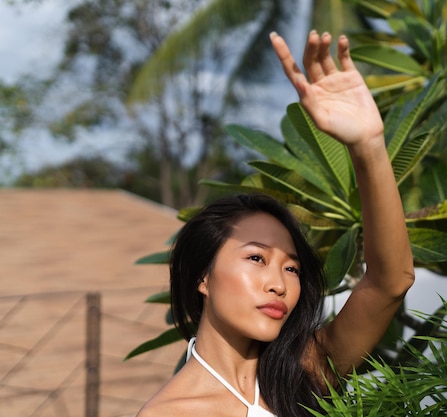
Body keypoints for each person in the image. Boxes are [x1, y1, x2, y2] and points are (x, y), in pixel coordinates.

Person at [137, 30, 415, 417]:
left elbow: (390, 282)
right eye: (256, 258)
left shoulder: (305, 371)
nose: (279, 283)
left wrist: (368, 145)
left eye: (292, 268)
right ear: (203, 276)